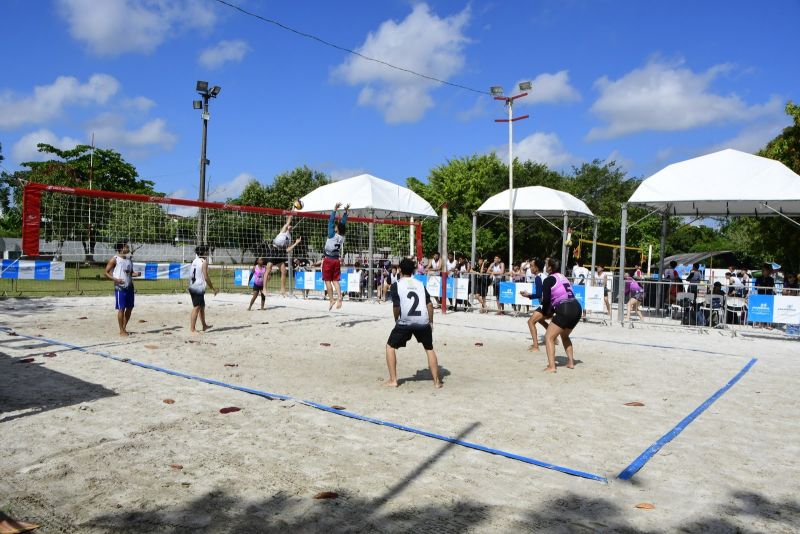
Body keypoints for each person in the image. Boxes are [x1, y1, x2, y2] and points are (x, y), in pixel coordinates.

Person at [384, 257, 442, 388]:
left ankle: (393, 380)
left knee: (390, 347)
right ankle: (437, 382)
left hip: (405, 321)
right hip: (423, 321)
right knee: (429, 349)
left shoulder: (396, 285)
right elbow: (429, 304)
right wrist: (431, 322)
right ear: (414, 270)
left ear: (400, 270)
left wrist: (396, 320)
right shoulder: (420, 284)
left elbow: (396, 307)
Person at [540, 258, 582, 373]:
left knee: (549, 337)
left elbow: (547, 300)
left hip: (565, 308)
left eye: (545, 264)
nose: (544, 266)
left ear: (550, 268)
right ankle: (571, 362)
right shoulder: (563, 277)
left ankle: (552, 366)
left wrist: (545, 313)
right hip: (577, 307)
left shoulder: (548, 280)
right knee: (565, 336)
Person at [104, 241, 142, 337]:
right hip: (120, 288)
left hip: (129, 287)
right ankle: (121, 330)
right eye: (126, 246)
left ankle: (124, 327)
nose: (128, 248)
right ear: (121, 248)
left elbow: (130, 273)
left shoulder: (129, 259)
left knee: (130, 308)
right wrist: (116, 279)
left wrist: (136, 274)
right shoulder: (115, 259)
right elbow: (106, 272)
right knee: (121, 308)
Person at [266, 213, 303, 296]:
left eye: (291, 226)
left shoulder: (289, 238)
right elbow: (288, 221)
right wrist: (292, 211)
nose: (290, 226)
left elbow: (288, 250)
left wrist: (296, 243)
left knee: (284, 271)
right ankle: (264, 289)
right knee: (268, 270)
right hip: (274, 249)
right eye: (289, 225)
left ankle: (282, 290)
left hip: (281, 252)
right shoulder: (283, 231)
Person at [322, 202, 349, 310]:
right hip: (336, 260)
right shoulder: (342, 236)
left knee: (328, 281)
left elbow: (331, 221)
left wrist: (334, 210)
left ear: (337, 228)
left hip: (328, 260)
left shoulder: (332, 234)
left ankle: (331, 299)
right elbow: (343, 223)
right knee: (335, 281)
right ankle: (340, 297)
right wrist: (345, 212)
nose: (335, 226)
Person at [520, 259, 550, 351]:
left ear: (537, 268)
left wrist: (528, 295)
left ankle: (536, 346)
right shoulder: (544, 276)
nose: (530, 268)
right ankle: (554, 338)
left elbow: (538, 295)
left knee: (530, 322)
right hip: (550, 304)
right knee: (540, 320)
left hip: (547, 304)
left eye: (532, 266)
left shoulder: (538, 277)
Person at [188, 245, 218, 334]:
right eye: (207, 251)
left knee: (202, 307)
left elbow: (191, 274)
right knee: (196, 307)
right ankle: (192, 329)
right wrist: (213, 288)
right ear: (204, 252)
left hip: (193, 286)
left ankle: (204, 325)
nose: (208, 252)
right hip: (198, 287)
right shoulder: (203, 262)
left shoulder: (194, 260)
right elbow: (206, 277)